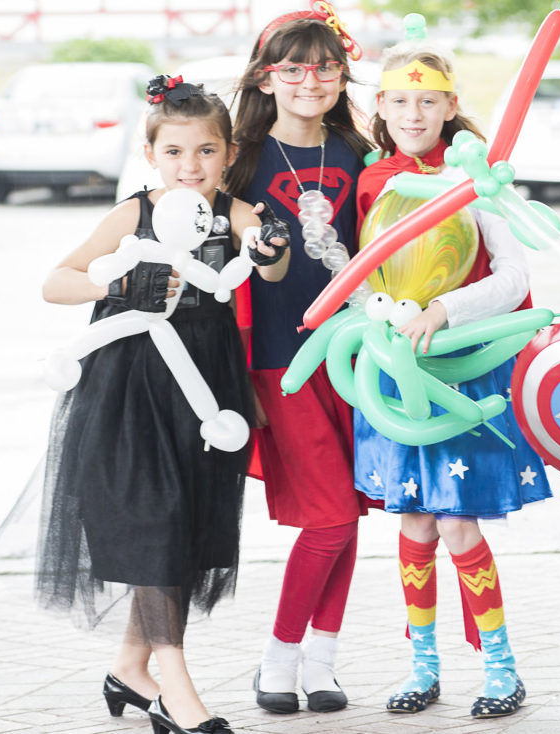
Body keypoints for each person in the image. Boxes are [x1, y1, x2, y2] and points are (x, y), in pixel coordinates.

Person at [36, 74, 290, 734]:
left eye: (206, 151)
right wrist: (115, 279)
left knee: (181, 531)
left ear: (229, 153)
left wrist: (272, 248)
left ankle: (130, 669)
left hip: (205, 393)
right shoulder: (134, 216)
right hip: (130, 388)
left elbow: (271, 267)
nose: (190, 166)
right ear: (151, 154)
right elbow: (56, 282)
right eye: (174, 152)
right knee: (155, 522)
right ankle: (176, 691)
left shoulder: (236, 214)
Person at [353, 36, 550, 719]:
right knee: (412, 522)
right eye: (401, 101)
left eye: (428, 101)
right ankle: (423, 667)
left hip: (464, 373)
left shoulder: (478, 176)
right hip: (395, 374)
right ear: (380, 107)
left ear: (450, 106)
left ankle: (501, 669)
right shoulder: (372, 181)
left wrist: (444, 310)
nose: (414, 114)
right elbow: (360, 275)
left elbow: (515, 277)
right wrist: (379, 313)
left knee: (459, 525)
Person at [222, 3, 374, 715]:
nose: (311, 81)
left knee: (348, 514)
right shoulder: (237, 162)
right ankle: (278, 658)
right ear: (265, 78)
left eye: (326, 67)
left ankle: (321, 664)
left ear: (343, 76)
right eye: (294, 68)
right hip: (279, 363)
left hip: (357, 355)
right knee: (332, 515)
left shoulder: (359, 154)